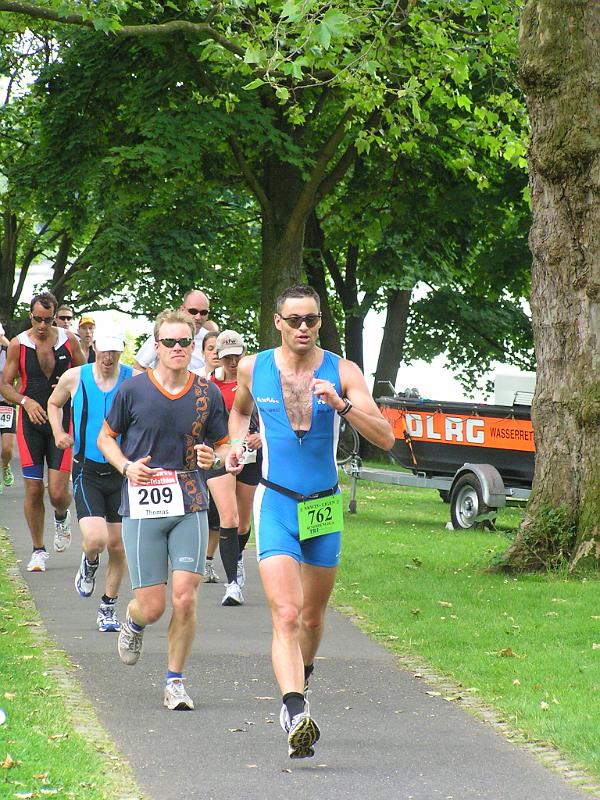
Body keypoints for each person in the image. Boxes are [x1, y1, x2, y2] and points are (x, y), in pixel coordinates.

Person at [226, 284, 394, 759]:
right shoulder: (252, 367)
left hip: (323, 506)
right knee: (285, 613)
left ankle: (303, 673)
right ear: (278, 322)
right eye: (295, 319)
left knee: (312, 617)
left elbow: (385, 437)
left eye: (312, 320)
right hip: (276, 501)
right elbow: (238, 413)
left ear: (320, 322)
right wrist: (235, 447)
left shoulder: (343, 371)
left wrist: (343, 405)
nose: (304, 328)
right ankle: (294, 709)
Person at [97, 308, 230, 710]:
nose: (177, 348)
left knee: (185, 597)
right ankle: (134, 620)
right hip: (143, 505)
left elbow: (223, 446)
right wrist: (125, 466)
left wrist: (213, 457)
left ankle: (175, 681)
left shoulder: (206, 393)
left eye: (184, 341)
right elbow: (106, 438)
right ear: (156, 346)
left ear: (193, 346)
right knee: (153, 607)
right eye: (169, 342)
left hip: (190, 501)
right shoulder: (133, 390)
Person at [47, 329, 132, 632]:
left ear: (122, 350)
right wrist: (58, 432)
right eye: (104, 350)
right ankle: (90, 561)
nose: (108, 357)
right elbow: (54, 403)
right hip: (87, 470)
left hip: (122, 472)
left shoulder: (133, 379)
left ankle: (108, 607)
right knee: (96, 540)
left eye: (114, 351)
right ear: (94, 347)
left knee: (118, 546)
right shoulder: (75, 377)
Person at [0, 292, 86, 571]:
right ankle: (38, 550)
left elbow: (86, 374)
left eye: (47, 320)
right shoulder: (18, 344)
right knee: (34, 489)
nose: (41, 325)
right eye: (37, 319)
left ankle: (61, 516)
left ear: (54, 318)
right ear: (30, 316)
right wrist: (25, 401)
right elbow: (5, 385)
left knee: (58, 493)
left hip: (62, 421)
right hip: (31, 423)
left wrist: (70, 385)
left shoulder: (68, 341)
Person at [209, 329, 262, 606]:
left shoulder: (256, 382)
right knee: (227, 518)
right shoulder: (207, 385)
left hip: (250, 455)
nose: (232, 362)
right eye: (226, 357)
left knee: (242, 523)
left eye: (236, 356)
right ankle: (232, 585)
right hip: (219, 454)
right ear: (217, 356)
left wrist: (260, 436)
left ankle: (237, 557)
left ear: (244, 354)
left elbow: (272, 418)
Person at [132, 290, 218, 374]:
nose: (198, 317)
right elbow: (139, 366)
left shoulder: (208, 339)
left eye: (203, 312)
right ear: (182, 309)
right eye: (193, 311)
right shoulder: (164, 332)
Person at [0, 322, 16, 494]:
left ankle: (5, 465)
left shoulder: (8, 352)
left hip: (6, 403)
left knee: (7, 448)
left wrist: (13, 393)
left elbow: (21, 374)